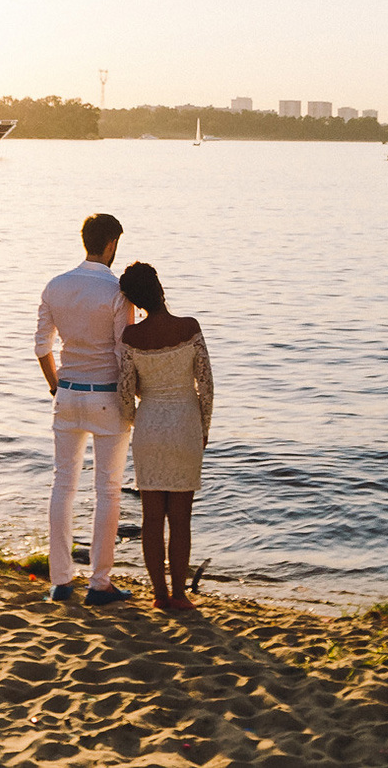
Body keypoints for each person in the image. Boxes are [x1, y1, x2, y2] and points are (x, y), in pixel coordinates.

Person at [34, 213, 133, 605]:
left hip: (68, 393)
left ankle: (60, 580)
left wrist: (55, 384)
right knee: (107, 490)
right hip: (107, 395)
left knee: (63, 485)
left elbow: (42, 345)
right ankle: (100, 582)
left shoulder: (56, 285)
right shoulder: (117, 290)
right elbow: (123, 352)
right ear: (111, 245)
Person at [116, 261, 214, 614]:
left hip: (150, 427)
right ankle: (180, 595)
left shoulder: (132, 337)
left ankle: (158, 594)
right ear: (160, 288)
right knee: (181, 519)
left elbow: (125, 392)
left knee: (152, 518)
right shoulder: (189, 327)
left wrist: (133, 422)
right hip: (185, 422)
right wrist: (203, 429)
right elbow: (206, 384)